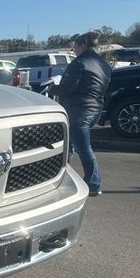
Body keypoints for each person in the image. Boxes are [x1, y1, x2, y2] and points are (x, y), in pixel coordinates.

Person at [56, 30, 111, 197]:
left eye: (75, 46)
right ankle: (60, 176)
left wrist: (52, 87)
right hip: (95, 110)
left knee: (82, 148)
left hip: (79, 109)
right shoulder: (104, 64)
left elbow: (68, 87)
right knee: (70, 145)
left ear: (83, 45)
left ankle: (94, 183)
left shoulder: (79, 63)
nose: (73, 50)